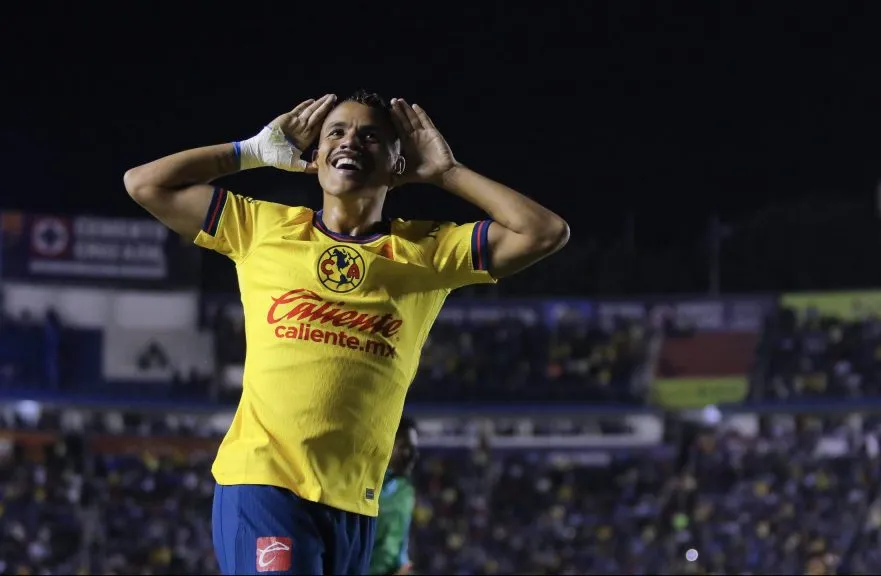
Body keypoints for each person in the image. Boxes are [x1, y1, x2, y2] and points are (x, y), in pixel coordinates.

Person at [123, 90, 569, 575]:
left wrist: (448, 173)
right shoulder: (260, 228)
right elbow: (145, 184)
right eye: (336, 132)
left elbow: (544, 232)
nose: (349, 141)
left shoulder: (430, 252)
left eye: (370, 136)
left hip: (355, 504)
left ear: (399, 165)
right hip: (265, 483)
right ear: (314, 159)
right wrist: (248, 152)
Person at [369, 418, 419, 576]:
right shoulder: (363, 485)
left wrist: (403, 565)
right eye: (405, 447)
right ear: (387, 444)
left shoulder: (405, 490)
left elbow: (400, 540)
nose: (412, 455)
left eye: (414, 449)